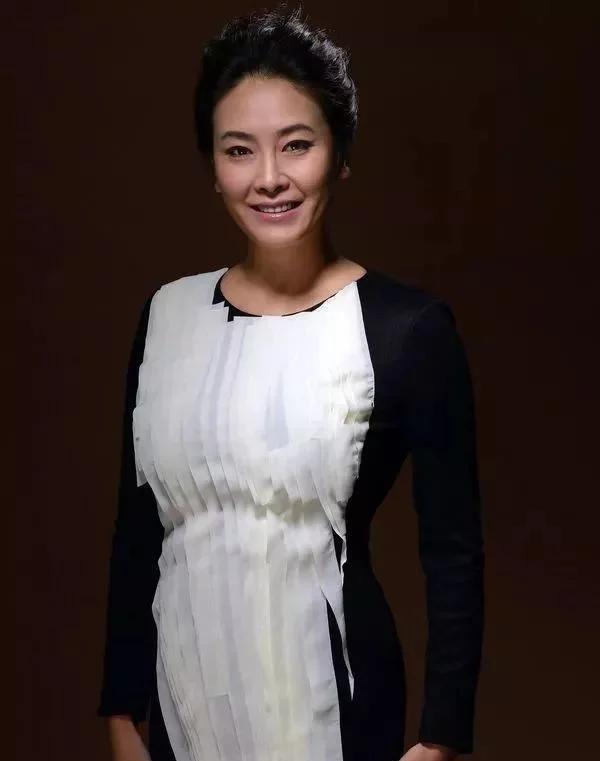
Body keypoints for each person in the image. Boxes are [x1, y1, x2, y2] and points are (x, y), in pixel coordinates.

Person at [97, 5, 485, 761]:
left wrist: (440, 738)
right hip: (183, 703)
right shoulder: (168, 315)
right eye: (238, 151)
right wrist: (118, 712)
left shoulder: (406, 329)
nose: (269, 178)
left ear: (340, 155)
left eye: (297, 145)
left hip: (339, 702)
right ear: (213, 169)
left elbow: (454, 552)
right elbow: (136, 533)